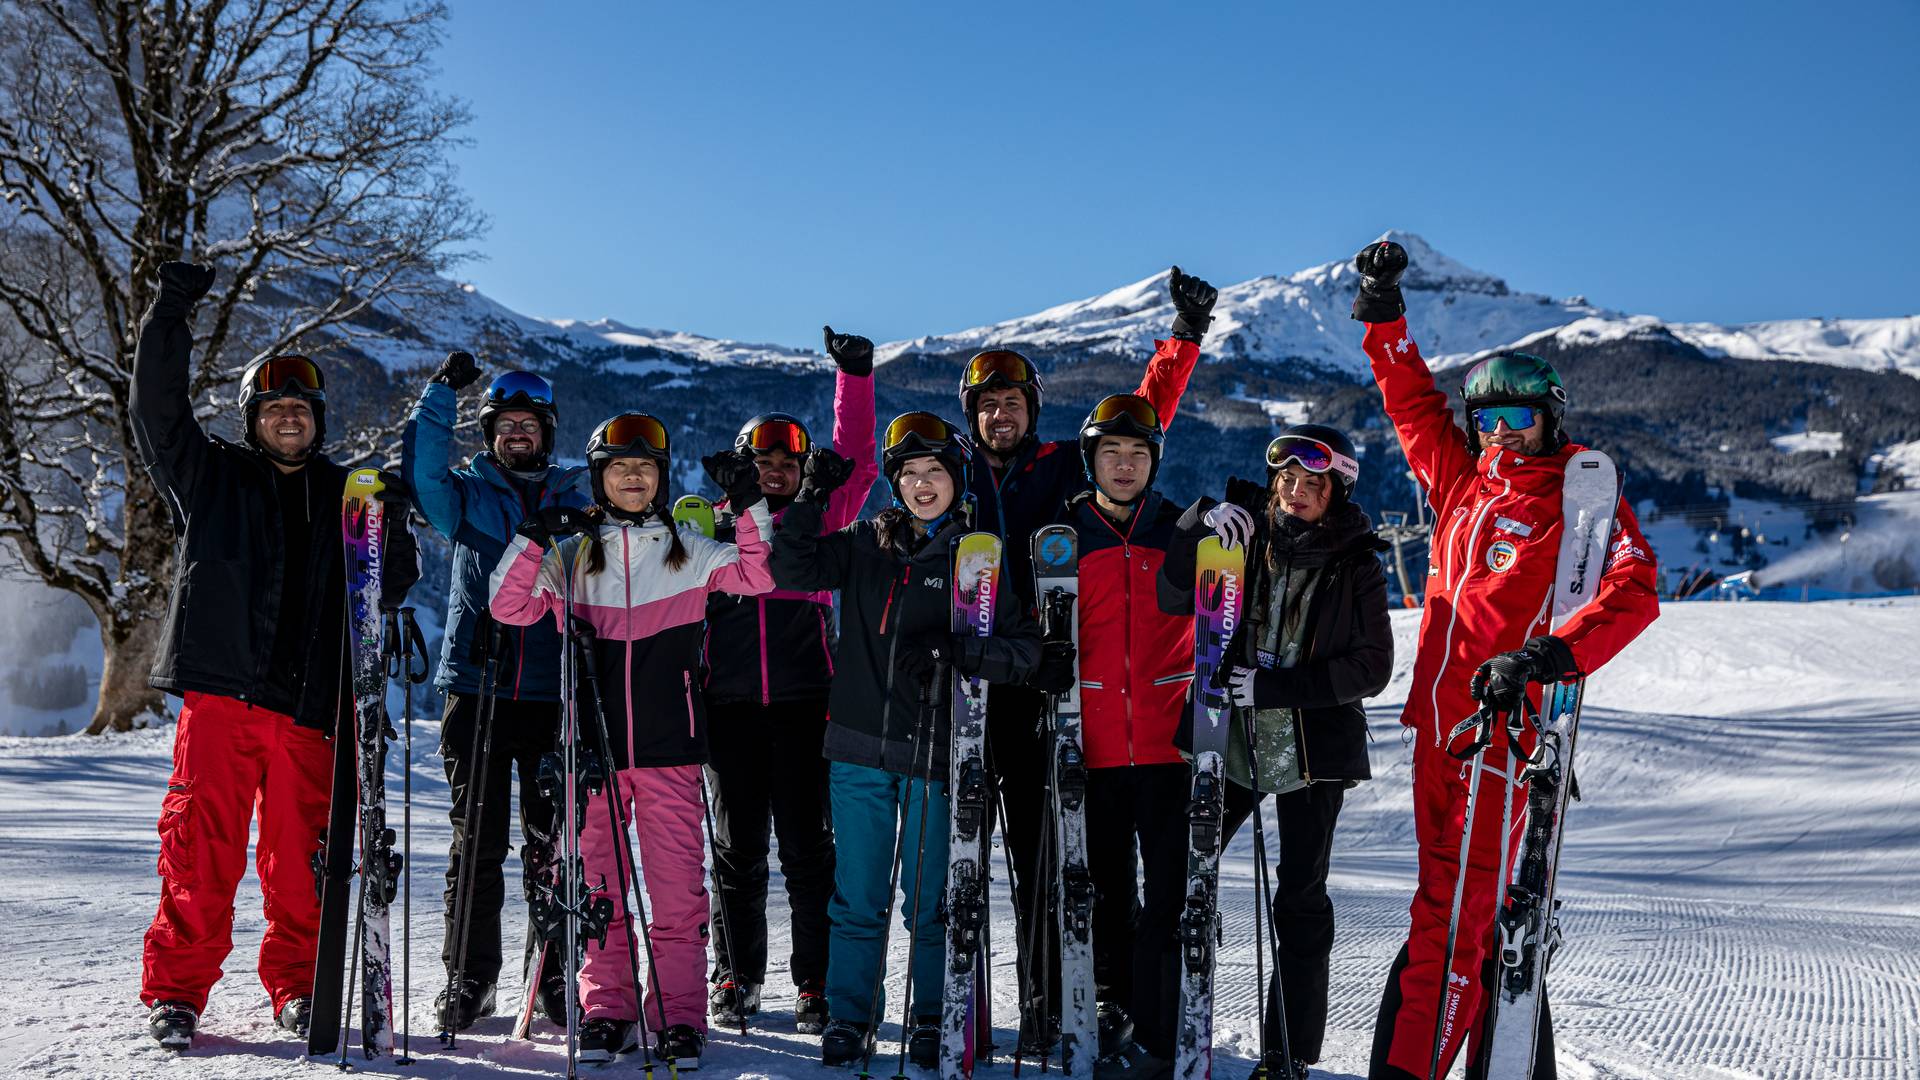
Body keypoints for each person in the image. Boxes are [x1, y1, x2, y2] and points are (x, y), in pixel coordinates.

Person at [1348, 239, 1659, 1080]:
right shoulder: (1465, 482)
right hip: (1436, 725)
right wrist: (1384, 315)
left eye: (1516, 418)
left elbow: (1634, 589)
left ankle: (1418, 1066)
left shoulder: (1576, 494)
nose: (1499, 433)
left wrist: (1551, 656)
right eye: (1485, 418)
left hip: (1504, 733)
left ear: (1550, 418)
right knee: (1441, 907)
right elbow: (1413, 407)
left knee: (1461, 914)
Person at [130, 261, 420, 1050]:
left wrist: (391, 525)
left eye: (302, 408)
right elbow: (155, 410)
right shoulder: (212, 476)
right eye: (275, 407)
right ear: (253, 418)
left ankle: (298, 986)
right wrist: (172, 310)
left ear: (319, 420)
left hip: (311, 708)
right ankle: (178, 992)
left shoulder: (347, 493)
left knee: (304, 865)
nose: (289, 417)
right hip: (224, 700)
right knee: (199, 851)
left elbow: (387, 589)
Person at [961, 267, 1217, 1049]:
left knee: (1055, 853)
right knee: (998, 849)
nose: (1000, 416)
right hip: (982, 682)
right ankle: (1060, 996)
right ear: (971, 417)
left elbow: (1135, 431)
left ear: (1031, 411)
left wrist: (1182, 341)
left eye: (1012, 403)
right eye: (987, 406)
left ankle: (1064, 999)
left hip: (1051, 688)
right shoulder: (947, 476)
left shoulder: (1059, 471)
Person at [489, 413, 773, 1068]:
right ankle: (606, 1011)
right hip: (589, 756)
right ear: (599, 477)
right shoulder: (570, 556)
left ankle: (678, 1017)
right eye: (620, 467)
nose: (634, 477)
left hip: (670, 750)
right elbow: (509, 607)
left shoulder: (690, 551)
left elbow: (761, 575)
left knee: (677, 896)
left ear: (661, 477)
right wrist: (533, 537)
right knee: (599, 892)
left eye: (645, 467)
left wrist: (751, 500)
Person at [768, 412, 1043, 1069]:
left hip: (937, 755)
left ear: (956, 479)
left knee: (929, 905)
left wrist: (963, 652)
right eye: (910, 473)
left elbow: (1026, 651)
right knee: (858, 898)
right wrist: (809, 497)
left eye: (935, 472)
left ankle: (929, 1016)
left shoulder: (977, 558)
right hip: (858, 749)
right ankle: (851, 1017)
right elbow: (789, 568)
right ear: (895, 483)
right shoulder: (863, 543)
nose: (923, 484)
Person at [1156, 424, 1393, 1080]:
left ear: (1336, 491)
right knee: (1184, 872)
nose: (1294, 493)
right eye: (1286, 480)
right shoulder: (1239, 535)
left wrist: (1275, 686)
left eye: (1312, 484)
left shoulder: (1357, 563)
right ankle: (1168, 1029)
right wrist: (1198, 522)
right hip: (1226, 739)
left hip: (1311, 750)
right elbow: (1173, 594)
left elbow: (1372, 667)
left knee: (1299, 897)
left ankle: (1287, 1052)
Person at [402, 353, 590, 1031]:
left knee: (554, 844)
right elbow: (420, 474)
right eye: (506, 424)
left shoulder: (575, 496)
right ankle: (470, 978)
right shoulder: (466, 495)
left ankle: (556, 977)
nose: (518, 434)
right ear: (491, 435)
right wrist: (440, 394)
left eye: (529, 424)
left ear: (546, 432)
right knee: (476, 842)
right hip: (476, 690)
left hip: (550, 694)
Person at [703, 326, 878, 1033]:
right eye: (762, 458)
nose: (775, 468)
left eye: (789, 458)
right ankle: (736, 975)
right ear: (743, 464)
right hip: (732, 709)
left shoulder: (821, 519)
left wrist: (854, 377)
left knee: (809, 852)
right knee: (737, 851)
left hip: (808, 706)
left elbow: (861, 462)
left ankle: (817, 984)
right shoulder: (712, 525)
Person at [1043, 393, 1195, 1069]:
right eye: (1112, 453)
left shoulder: (1180, 530)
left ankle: (1162, 1014)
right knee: (1104, 891)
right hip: (1093, 744)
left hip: (1170, 743)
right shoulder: (1064, 536)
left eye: (1138, 454)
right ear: (1091, 461)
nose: (1125, 466)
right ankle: (1111, 1005)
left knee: (1168, 892)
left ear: (1154, 462)